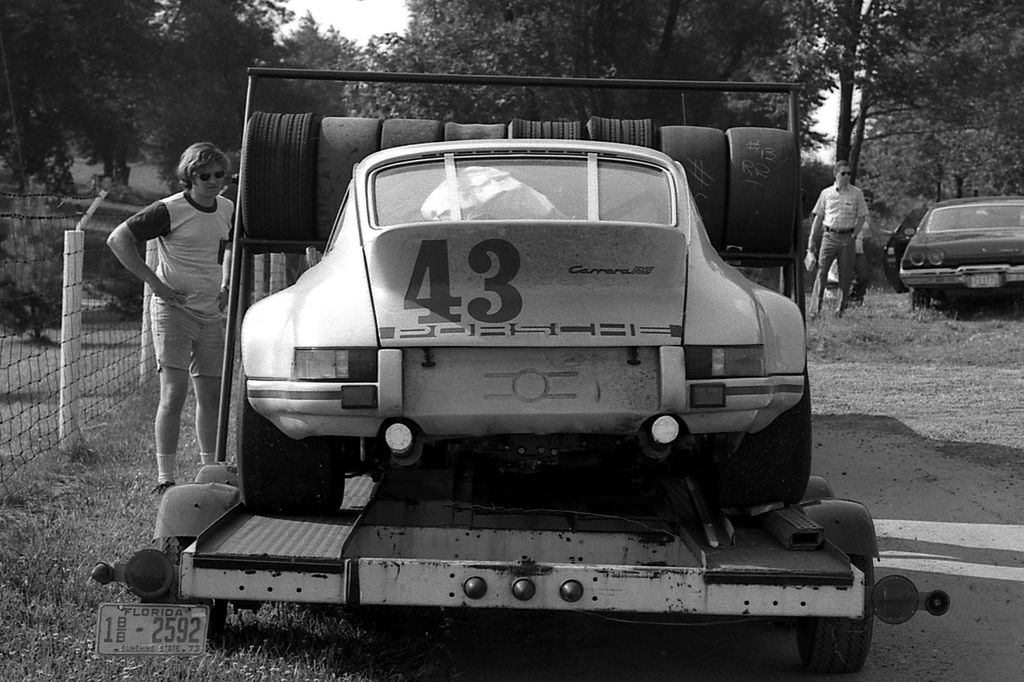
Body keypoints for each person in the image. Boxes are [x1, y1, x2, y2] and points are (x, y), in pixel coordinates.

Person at [107, 142, 233, 494]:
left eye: (218, 175)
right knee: (174, 393)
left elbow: (226, 249)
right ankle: (166, 478)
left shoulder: (226, 208)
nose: (212, 181)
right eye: (203, 175)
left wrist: (225, 285)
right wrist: (155, 284)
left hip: (210, 314)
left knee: (211, 397)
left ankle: (211, 471)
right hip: (173, 313)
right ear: (189, 177)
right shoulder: (169, 210)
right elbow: (118, 238)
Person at [806, 161, 868, 317]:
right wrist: (812, 239)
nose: (846, 176)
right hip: (829, 236)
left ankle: (839, 310)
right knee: (821, 273)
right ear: (836, 174)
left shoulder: (857, 193)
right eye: (843, 173)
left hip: (847, 237)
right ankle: (814, 311)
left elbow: (862, 216)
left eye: (849, 173)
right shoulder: (826, 193)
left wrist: (853, 236)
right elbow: (818, 217)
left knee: (845, 275)